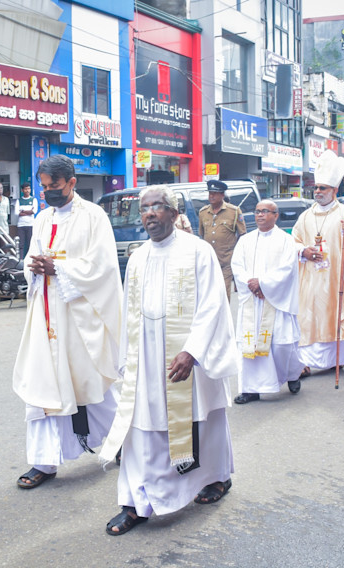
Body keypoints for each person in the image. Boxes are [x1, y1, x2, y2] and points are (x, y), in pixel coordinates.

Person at [99, 185, 239, 536]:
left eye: (157, 207)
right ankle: (135, 503)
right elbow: (129, 310)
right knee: (143, 425)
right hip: (147, 354)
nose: (149, 214)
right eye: (144, 208)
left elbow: (212, 303)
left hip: (189, 353)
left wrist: (192, 351)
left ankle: (217, 477)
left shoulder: (198, 251)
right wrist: (127, 357)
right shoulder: (138, 257)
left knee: (202, 421)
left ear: (175, 213)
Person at [12, 155, 122, 488]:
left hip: (78, 317)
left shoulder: (94, 216)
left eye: (54, 186)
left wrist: (58, 269)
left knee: (92, 386)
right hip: (45, 314)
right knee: (43, 386)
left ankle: (122, 440)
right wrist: (32, 267)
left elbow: (102, 266)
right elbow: (32, 256)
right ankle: (42, 463)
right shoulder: (43, 218)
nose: (48, 193)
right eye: (44, 187)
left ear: (72, 182)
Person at [292, 150, 344, 378]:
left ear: (335, 191)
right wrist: (304, 251)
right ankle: (305, 362)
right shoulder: (305, 216)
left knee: (336, 314)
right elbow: (293, 242)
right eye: (316, 188)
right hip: (310, 278)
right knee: (308, 317)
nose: (318, 192)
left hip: (338, 277)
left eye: (323, 188)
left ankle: (338, 359)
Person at [231, 199, 303, 403]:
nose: (260, 215)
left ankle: (292, 374)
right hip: (252, 301)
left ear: (275, 215)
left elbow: (288, 269)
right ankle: (250, 389)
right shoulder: (245, 240)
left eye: (265, 211)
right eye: (257, 211)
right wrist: (250, 283)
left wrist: (264, 284)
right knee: (249, 345)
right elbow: (237, 266)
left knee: (282, 345)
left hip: (275, 301)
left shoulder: (285, 240)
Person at [198, 180, 246, 300]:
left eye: (215, 193)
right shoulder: (203, 212)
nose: (211, 196)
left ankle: (224, 318)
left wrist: (238, 257)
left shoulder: (234, 211)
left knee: (223, 293)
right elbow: (202, 236)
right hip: (209, 261)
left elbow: (242, 235)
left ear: (222, 195)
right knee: (208, 294)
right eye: (210, 193)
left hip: (226, 261)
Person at [15, 182, 38, 258]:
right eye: (25, 189)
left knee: (30, 243)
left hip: (31, 225)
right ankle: (21, 260)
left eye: (28, 188)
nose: (27, 190)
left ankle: (29, 259)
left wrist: (22, 211)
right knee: (21, 244)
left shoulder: (33, 199)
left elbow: (34, 211)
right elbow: (16, 213)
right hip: (21, 225)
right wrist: (29, 212)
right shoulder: (19, 200)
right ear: (22, 190)